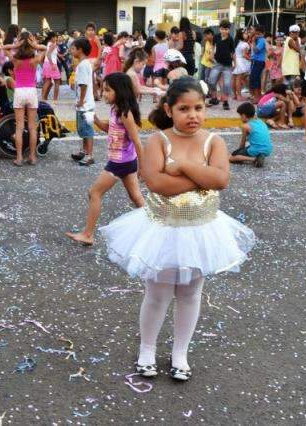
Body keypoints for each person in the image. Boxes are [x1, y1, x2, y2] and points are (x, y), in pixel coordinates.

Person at [100, 77, 255, 381]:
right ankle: (147, 349)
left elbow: (221, 180)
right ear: (169, 110)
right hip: (164, 229)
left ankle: (180, 353)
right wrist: (202, 177)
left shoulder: (214, 141)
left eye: (198, 107)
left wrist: (184, 168)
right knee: (157, 292)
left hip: (200, 230)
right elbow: (157, 183)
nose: (192, 115)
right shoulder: (160, 140)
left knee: (190, 293)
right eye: (184, 108)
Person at [65, 73, 145, 246]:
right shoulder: (116, 109)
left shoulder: (125, 113)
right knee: (137, 198)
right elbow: (109, 129)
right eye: (103, 89)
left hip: (120, 162)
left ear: (120, 91)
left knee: (94, 193)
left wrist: (143, 168)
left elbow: (137, 141)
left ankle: (88, 234)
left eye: (108, 90)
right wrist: (94, 120)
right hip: (126, 160)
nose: (103, 94)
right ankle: (155, 227)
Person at [6, 32, 46, 166]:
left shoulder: (15, 60)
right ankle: (33, 157)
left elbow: (3, 48)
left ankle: (19, 158)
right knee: (32, 127)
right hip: (32, 91)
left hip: (19, 91)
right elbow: (44, 48)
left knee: (19, 127)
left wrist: (15, 44)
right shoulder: (34, 60)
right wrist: (35, 45)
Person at [70, 37, 96, 166]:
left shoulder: (83, 65)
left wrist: (81, 101)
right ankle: (84, 151)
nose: (71, 51)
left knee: (87, 130)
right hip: (85, 104)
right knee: (83, 129)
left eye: (73, 48)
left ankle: (89, 155)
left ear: (80, 50)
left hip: (85, 105)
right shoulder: (83, 64)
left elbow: (84, 85)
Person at [230, 102, 272, 168]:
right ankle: (259, 156)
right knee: (251, 147)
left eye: (240, 116)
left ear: (243, 115)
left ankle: (255, 159)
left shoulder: (245, 126)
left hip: (256, 149)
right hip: (268, 149)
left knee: (232, 158)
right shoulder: (261, 121)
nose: (240, 118)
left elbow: (242, 144)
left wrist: (239, 152)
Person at [208, 20, 234, 110]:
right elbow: (213, 46)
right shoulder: (216, 37)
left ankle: (225, 102)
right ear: (220, 29)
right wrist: (211, 55)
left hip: (227, 65)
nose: (224, 31)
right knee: (211, 81)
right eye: (222, 29)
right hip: (217, 63)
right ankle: (214, 98)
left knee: (227, 84)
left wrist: (235, 63)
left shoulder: (230, 39)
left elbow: (232, 52)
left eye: (226, 29)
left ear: (229, 30)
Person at [249, 25, 267, 104]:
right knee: (253, 79)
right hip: (255, 61)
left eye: (258, 34)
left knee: (256, 79)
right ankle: (256, 96)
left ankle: (258, 97)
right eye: (256, 34)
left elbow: (256, 50)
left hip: (259, 61)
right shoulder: (257, 39)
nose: (257, 35)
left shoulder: (262, 40)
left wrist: (253, 41)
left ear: (262, 33)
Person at [42, 32, 61, 101]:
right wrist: (52, 64)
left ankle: (44, 98)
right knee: (57, 81)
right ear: (52, 37)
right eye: (55, 37)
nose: (56, 38)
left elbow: (51, 54)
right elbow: (48, 54)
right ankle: (55, 99)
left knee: (48, 81)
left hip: (47, 63)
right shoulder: (52, 45)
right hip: (51, 64)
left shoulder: (49, 44)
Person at [232, 28, 250, 101]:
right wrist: (251, 59)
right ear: (241, 35)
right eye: (245, 33)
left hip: (235, 61)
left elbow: (233, 54)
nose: (247, 34)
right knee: (238, 79)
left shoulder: (236, 42)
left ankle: (235, 95)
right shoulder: (245, 44)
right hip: (241, 62)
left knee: (234, 79)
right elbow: (244, 55)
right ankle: (239, 96)